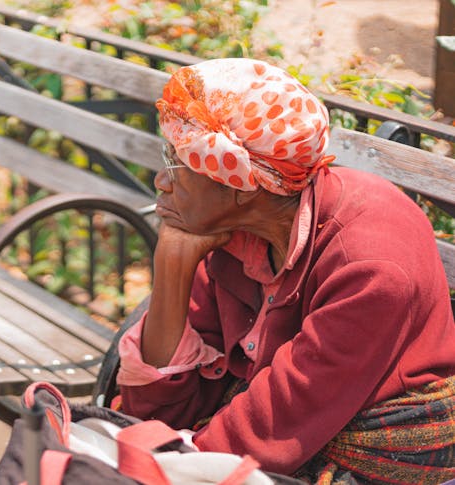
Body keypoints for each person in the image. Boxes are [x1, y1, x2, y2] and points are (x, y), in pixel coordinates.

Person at [116, 58, 455, 483]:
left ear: (236, 184)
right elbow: (153, 411)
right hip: (283, 430)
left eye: (176, 163)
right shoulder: (233, 234)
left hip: (378, 450)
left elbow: (273, 430)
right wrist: (171, 264)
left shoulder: (370, 267)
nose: (161, 182)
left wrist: (160, 468)